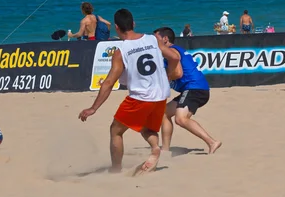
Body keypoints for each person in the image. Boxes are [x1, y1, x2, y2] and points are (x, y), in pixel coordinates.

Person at [78, 9, 182, 174]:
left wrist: (93, 108)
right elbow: (175, 57)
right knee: (146, 128)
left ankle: (116, 170)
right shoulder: (152, 39)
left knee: (116, 130)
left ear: (117, 28)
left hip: (140, 97)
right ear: (133, 24)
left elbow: (109, 82)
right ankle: (155, 148)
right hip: (161, 94)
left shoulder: (121, 52)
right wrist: (167, 75)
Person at [154, 27, 222, 155]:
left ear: (165, 39)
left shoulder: (172, 51)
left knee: (180, 119)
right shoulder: (168, 54)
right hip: (193, 88)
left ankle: (212, 142)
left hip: (195, 88)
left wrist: (165, 78)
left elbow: (178, 73)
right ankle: (165, 150)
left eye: (155, 39)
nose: (153, 42)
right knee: (164, 113)